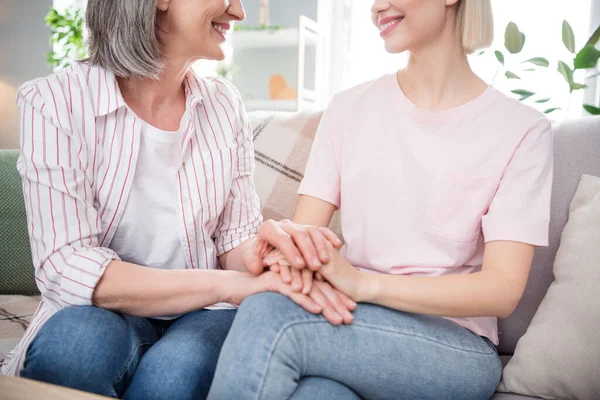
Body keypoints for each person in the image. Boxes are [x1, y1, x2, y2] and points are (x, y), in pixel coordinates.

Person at [0, 0, 353, 398]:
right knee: (73, 351)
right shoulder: (53, 102)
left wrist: (265, 252)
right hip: (102, 308)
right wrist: (228, 285)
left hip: (203, 313)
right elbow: (66, 266)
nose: (237, 11)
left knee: (176, 374)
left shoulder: (224, 105)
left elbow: (233, 241)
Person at [208, 0, 553, 399]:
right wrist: (288, 253)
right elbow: (306, 237)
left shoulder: (522, 130)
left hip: (456, 346)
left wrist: (362, 284)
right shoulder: (348, 109)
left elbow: (501, 290)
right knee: (318, 394)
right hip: (352, 322)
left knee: (271, 317)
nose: (376, 6)